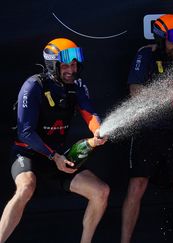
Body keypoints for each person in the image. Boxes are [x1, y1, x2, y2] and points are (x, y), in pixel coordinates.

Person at [0, 38, 110, 243]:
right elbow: (25, 132)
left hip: (57, 157)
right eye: (66, 65)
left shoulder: (76, 86)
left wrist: (97, 131)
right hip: (28, 153)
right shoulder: (33, 86)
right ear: (53, 66)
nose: (71, 69)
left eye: (74, 64)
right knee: (26, 187)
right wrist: (53, 155)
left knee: (101, 191)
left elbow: (89, 113)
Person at [121, 14, 173, 243]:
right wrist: (164, 92)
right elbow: (135, 92)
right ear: (161, 38)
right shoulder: (146, 54)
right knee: (137, 184)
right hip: (147, 129)